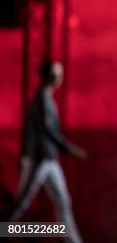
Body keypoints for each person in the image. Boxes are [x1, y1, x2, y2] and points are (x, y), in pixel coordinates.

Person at [10, 60, 87, 243]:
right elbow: (47, 130)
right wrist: (69, 148)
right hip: (40, 159)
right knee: (21, 204)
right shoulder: (41, 100)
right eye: (55, 74)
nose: (58, 78)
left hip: (49, 159)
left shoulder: (46, 99)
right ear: (48, 77)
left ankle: (73, 240)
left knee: (62, 201)